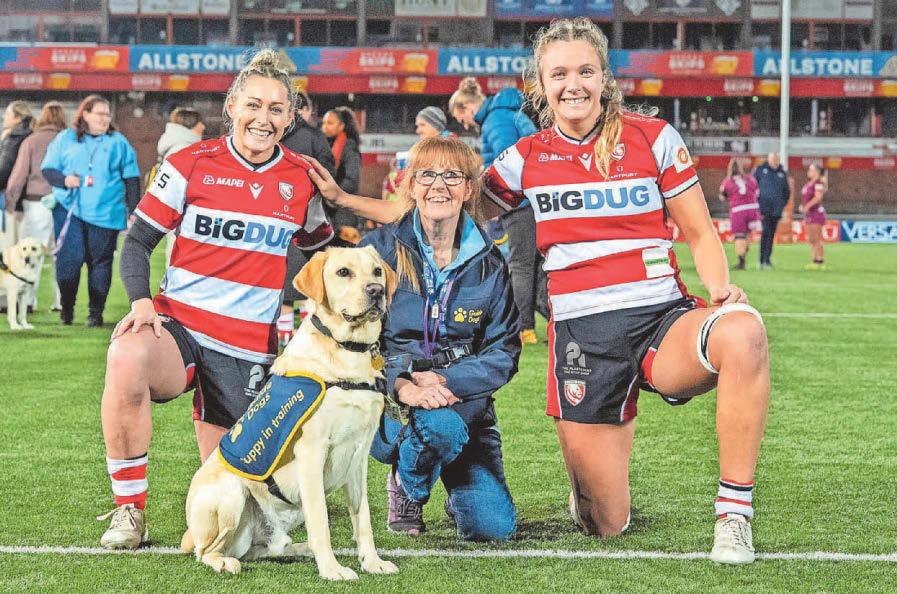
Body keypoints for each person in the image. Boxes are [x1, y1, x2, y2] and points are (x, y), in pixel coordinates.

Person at [479, 18, 769, 564]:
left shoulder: (653, 138)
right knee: (605, 524)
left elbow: (699, 231)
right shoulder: (524, 157)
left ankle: (733, 516)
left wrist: (720, 289)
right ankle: (592, 480)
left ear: (604, 77)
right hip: (583, 339)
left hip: (661, 320)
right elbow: (456, 210)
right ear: (539, 85)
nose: (574, 84)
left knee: (744, 332)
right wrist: (370, 200)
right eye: (559, 74)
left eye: (586, 71)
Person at [96, 49, 338, 550]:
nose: (263, 119)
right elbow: (138, 242)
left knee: (233, 522)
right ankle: (129, 510)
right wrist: (141, 303)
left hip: (247, 347)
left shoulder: (301, 177)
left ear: (290, 119)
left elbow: (321, 251)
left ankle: (263, 513)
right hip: (179, 326)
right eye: (253, 105)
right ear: (232, 107)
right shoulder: (190, 163)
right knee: (127, 355)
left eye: (276, 109)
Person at [360, 136, 520, 541]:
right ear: (411, 185)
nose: (439, 186)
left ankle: (443, 472)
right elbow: (353, 337)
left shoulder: (490, 261)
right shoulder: (377, 250)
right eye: (427, 174)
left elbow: (504, 352)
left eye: (452, 176)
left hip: (461, 402)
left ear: (469, 189)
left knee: (492, 529)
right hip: (391, 403)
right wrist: (401, 383)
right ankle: (407, 485)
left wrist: (446, 379)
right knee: (439, 426)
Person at [450, 78, 544, 345]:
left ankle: (524, 328)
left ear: (469, 107)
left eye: (462, 117)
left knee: (520, 265)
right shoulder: (503, 114)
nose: (465, 124)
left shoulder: (495, 120)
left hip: (520, 202)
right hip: (532, 200)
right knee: (534, 265)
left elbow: (508, 164)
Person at [41, 95, 140, 327]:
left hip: (107, 213)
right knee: (68, 264)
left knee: (100, 264)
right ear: (85, 114)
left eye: (107, 114)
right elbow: (48, 169)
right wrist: (65, 180)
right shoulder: (65, 138)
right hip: (70, 210)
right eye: (100, 114)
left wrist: (134, 210)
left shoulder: (118, 142)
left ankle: (96, 314)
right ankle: (67, 309)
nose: (105, 119)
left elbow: (132, 178)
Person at [277, 90, 337, 347]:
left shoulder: (272, 135)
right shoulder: (314, 137)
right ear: (303, 111)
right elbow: (328, 173)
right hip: (308, 220)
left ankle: (283, 337)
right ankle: (306, 337)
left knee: (282, 283)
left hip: (275, 218)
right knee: (308, 283)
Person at [4, 101, 66, 310]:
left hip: (35, 204)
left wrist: (11, 202)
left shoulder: (31, 141)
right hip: (64, 203)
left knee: (30, 255)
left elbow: (19, 175)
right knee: (61, 254)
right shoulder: (69, 141)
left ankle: (29, 300)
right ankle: (61, 302)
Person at [155, 107, 205, 266]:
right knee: (179, 250)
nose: (203, 126)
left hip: (175, 206)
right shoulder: (183, 148)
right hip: (182, 208)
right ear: (191, 124)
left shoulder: (175, 146)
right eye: (200, 123)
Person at [0, 101, 34, 257]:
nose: (4, 117)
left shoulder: (14, 138)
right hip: (26, 198)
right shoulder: (29, 135)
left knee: (8, 248)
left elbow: (5, 170)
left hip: (10, 199)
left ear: (18, 118)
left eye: (8, 114)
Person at [321, 106, 362, 232]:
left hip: (343, 212)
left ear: (341, 126)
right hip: (327, 210)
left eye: (330, 123)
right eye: (324, 123)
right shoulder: (325, 144)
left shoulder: (349, 147)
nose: (325, 127)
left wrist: (332, 195)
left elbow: (352, 180)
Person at [718, 158, 759, 271]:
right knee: (747, 234)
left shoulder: (728, 181)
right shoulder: (750, 178)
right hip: (753, 209)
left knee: (739, 236)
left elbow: (722, 196)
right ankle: (744, 252)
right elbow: (757, 191)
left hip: (738, 210)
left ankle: (741, 262)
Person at [754, 152, 791, 269]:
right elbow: (752, 186)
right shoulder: (760, 170)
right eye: (773, 159)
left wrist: (781, 205)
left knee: (771, 234)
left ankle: (767, 259)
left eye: (777, 159)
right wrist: (757, 203)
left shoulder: (782, 173)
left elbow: (787, 192)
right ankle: (762, 260)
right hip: (763, 208)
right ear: (769, 159)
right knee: (765, 232)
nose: (775, 161)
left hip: (776, 210)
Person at [800, 163, 828, 270]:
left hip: (815, 213)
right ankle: (814, 259)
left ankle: (819, 260)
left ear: (816, 172)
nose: (809, 171)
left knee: (816, 238)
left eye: (811, 170)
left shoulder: (818, 183)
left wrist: (807, 206)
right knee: (811, 238)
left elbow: (818, 197)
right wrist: (803, 206)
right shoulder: (809, 183)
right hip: (809, 213)